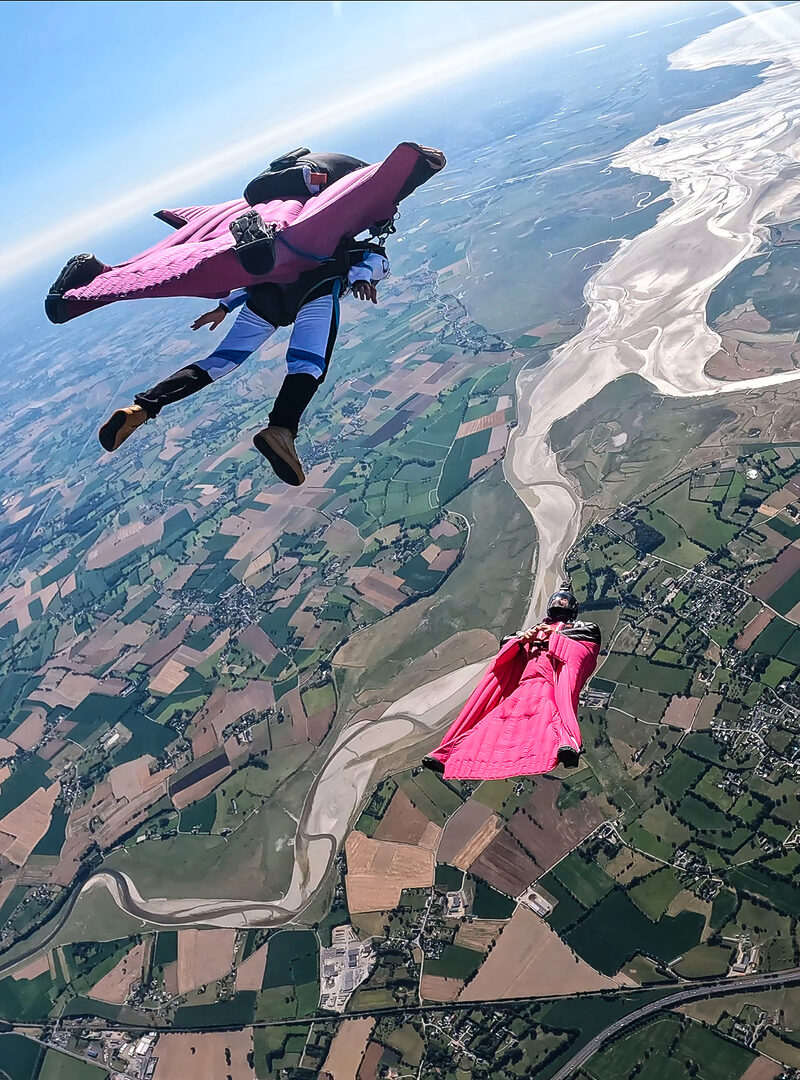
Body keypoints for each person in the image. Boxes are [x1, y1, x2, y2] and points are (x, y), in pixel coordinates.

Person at [97, 240, 390, 486]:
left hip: (266, 294)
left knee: (219, 361)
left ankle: (142, 408)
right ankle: (281, 429)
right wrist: (363, 277)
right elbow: (377, 260)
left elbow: (256, 272)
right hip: (317, 289)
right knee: (308, 365)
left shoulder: (300, 238)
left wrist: (225, 306)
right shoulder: (351, 246)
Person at [422, 584, 601, 780]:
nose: (560, 603)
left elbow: (589, 637)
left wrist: (553, 637)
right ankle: (447, 756)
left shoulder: (575, 628)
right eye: (558, 601)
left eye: (564, 602)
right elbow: (507, 642)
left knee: (552, 717)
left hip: (548, 683)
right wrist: (524, 639)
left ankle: (567, 747)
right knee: (491, 722)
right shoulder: (536, 629)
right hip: (524, 685)